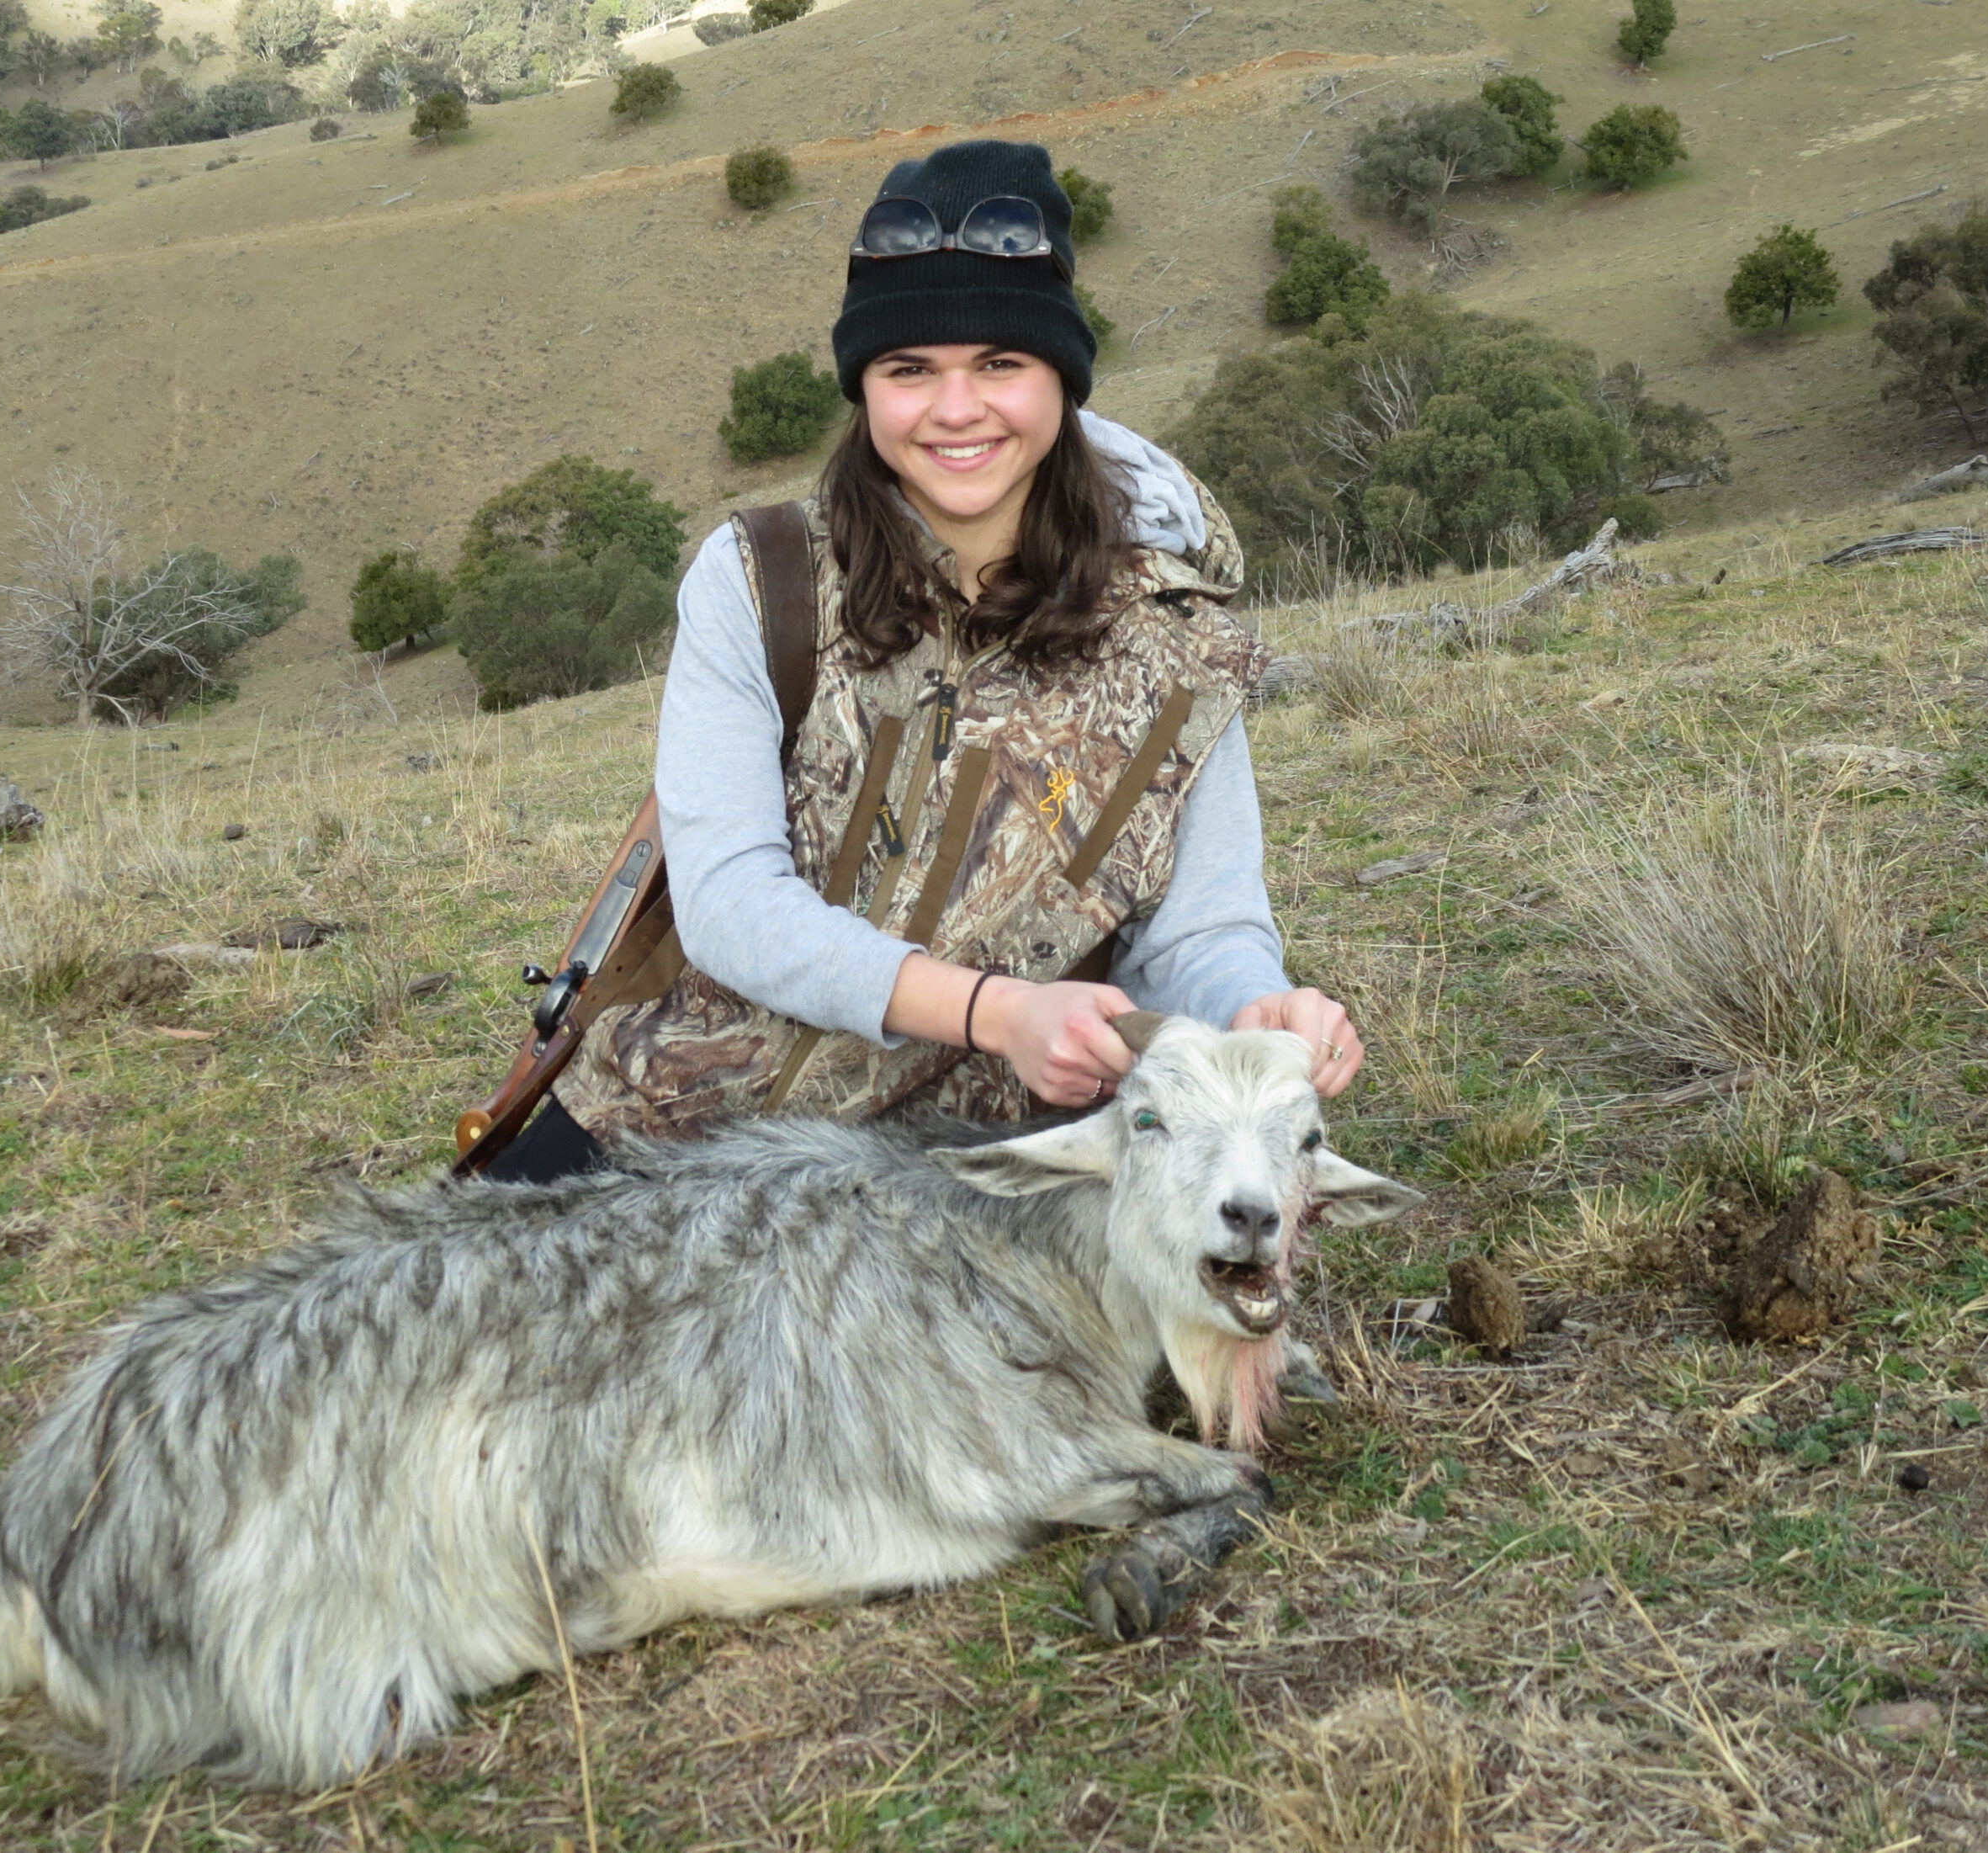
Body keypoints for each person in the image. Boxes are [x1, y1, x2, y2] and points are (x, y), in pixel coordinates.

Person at [489, 138, 1362, 1185]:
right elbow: (728, 902)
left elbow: (1201, 928)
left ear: (1062, 380)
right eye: (910, 371)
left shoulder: (1180, 634)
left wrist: (1253, 1010)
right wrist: (996, 1010)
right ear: (865, 388)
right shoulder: (758, 577)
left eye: (1001, 363)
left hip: (975, 1172)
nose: (956, 411)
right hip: (671, 1123)